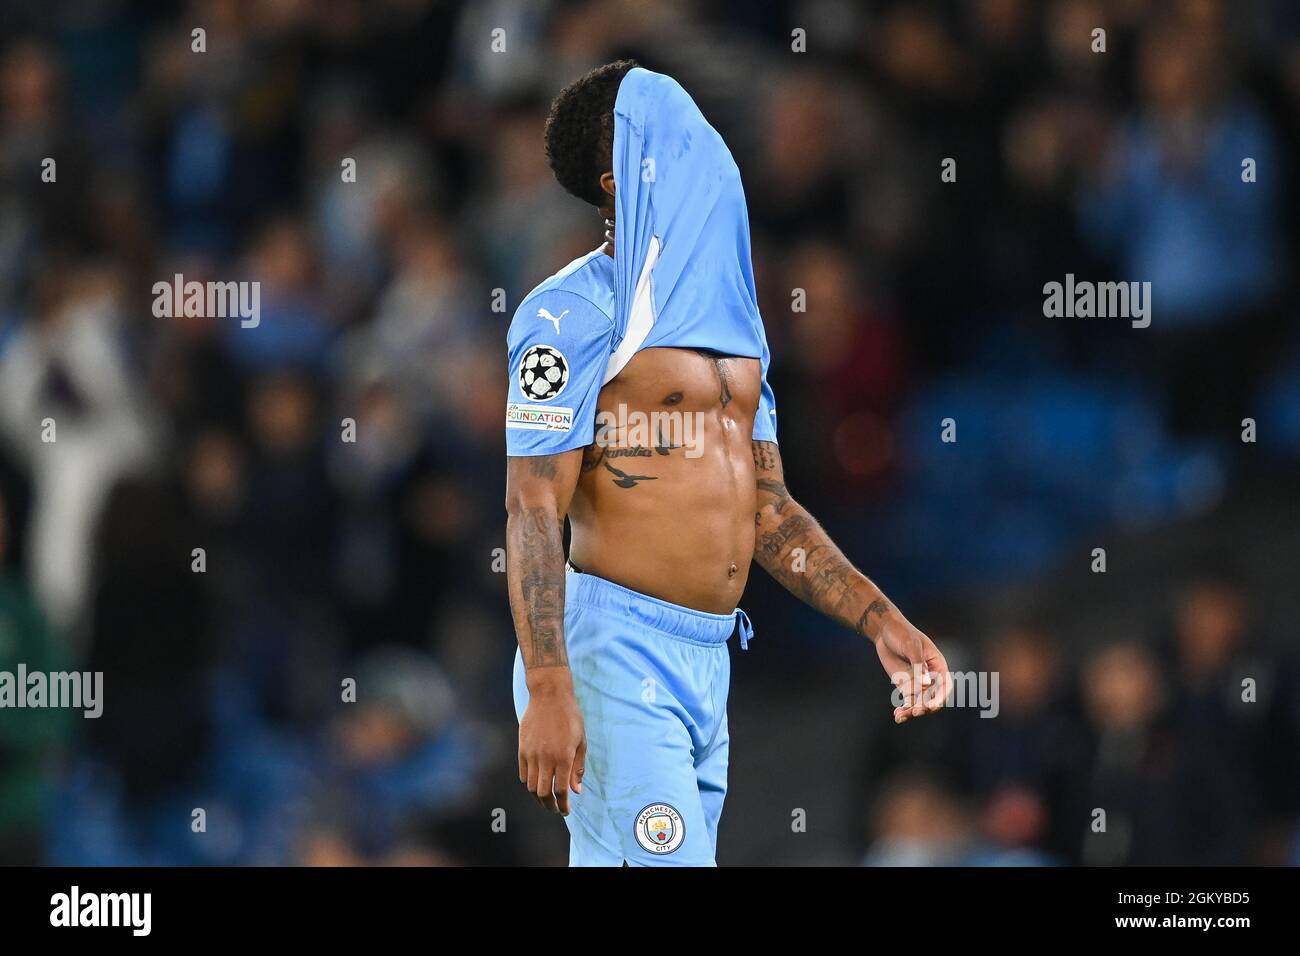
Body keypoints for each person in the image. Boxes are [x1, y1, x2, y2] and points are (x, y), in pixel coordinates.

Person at [504, 61, 949, 866]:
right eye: (672, 135)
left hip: (707, 659)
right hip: (613, 649)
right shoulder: (570, 312)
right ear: (620, 178)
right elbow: (533, 505)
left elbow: (770, 509)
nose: (702, 146)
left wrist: (878, 618)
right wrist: (546, 685)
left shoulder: (733, 324)